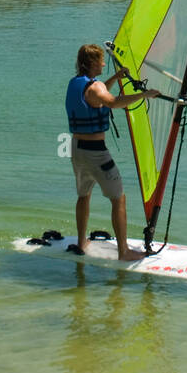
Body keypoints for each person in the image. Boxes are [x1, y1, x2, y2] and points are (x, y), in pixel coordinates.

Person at [65, 43, 156, 261]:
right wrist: (144, 95)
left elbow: (97, 93)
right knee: (118, 198)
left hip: (77, 150)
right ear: (92, 63)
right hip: (96, 153)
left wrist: (115, 77)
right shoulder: (94, 88)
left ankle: (81, 241)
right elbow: (113, 102)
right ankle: (123, 252)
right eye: (101, 60)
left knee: (83, 195)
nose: (104, 63)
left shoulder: (77, 83)